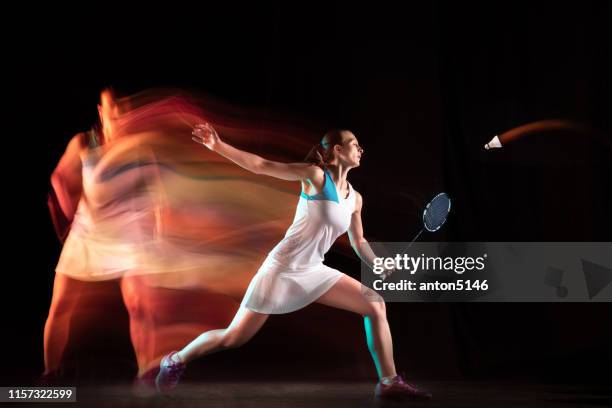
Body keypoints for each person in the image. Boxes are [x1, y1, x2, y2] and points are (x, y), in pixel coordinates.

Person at [155, 124, 432, 400]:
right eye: (354, 143)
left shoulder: (355, 199)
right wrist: (218, 145)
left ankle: (388, 382)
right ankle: (177, 359)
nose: (360, 149)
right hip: (282, 268)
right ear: (337, 149)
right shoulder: (315, 176)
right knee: (234, 337)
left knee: (374, 304)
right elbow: (262, 165)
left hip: (313, 270)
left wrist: (376, 264)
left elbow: (358, 241)